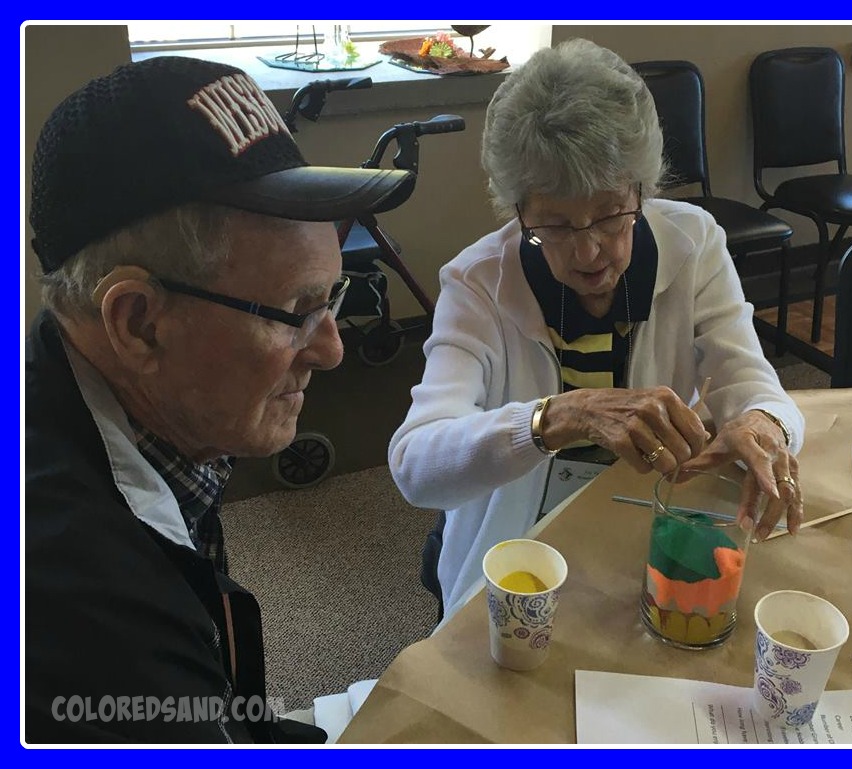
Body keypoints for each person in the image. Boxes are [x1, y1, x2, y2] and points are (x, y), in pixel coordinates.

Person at [25, 56, 414, 743]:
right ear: (139, 322)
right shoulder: (94, 636)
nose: (331, 350)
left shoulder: (115, 401)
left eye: (333, 300)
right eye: (297, 310)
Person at [388, 39, 805, 624]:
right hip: (518, 543)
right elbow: (414, 465)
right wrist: (560, 416)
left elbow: (752, 383)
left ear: (643, 188)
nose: (589, 251)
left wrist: (762, 423)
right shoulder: (477, 282)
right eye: (554, 225)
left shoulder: (695, 243)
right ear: (518, 211)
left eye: (611, 215)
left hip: (647, 519)